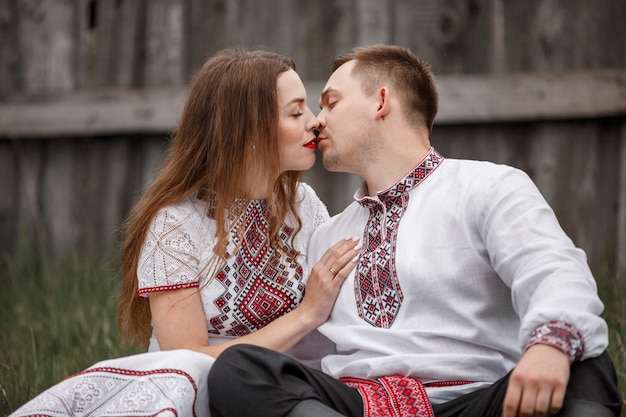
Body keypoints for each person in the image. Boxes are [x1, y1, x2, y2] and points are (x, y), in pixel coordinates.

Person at [207, 45, 623, 417]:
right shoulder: (327, 236)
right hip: (357, 406)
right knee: (241, 370)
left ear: (381, 101)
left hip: (477, 402)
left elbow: (554, 272)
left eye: (331, 103)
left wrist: (549, 348)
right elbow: (310, 356)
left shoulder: (487, 187)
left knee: (584, 362)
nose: (317, 122)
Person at [10, 47, 359, 417]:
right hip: (197, 398)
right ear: (249, 129)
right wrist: (305, 315)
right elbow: (186, 361)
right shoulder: (174, 225)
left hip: (284, 392)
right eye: (296, 111)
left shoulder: (301, 205)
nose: (314, 122)